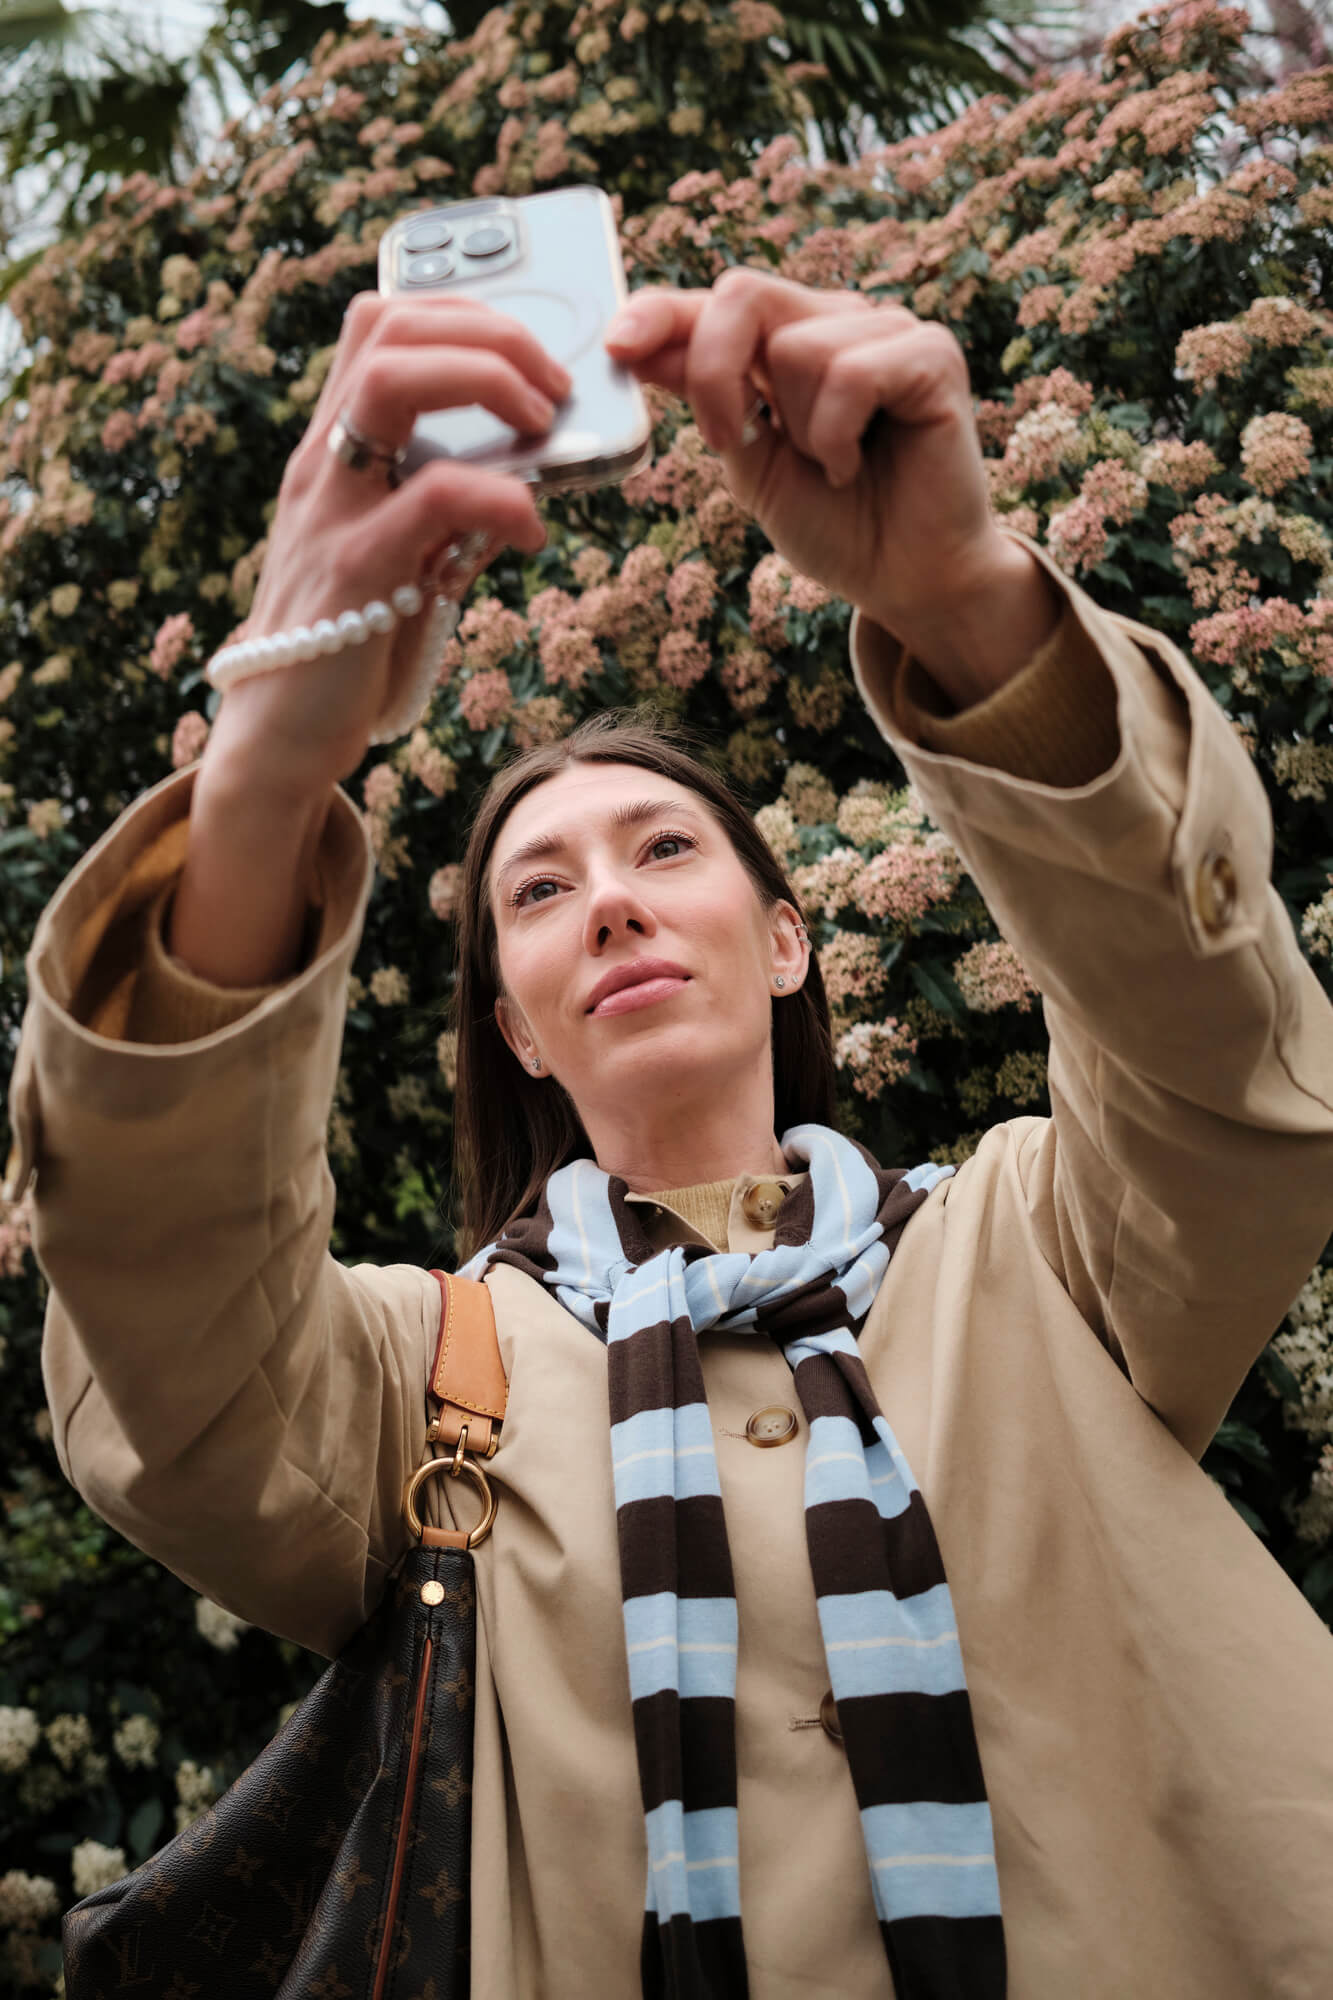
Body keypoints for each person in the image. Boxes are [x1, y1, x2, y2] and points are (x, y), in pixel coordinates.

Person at [10, 267, 1333, 2000]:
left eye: (662, 851)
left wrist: (963, 599)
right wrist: (262, 772)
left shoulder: (1032, 1242)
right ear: (516, 1027)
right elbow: (168, 1353)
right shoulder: (423, 1375)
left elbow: (1223, 1071)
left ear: (784, 942)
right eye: (538, 892)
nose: (611, 906)